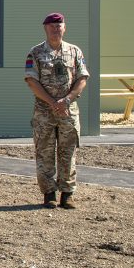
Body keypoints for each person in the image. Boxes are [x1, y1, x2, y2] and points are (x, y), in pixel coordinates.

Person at [24, 12, 89, 209]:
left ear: (64, 28)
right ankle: (49, 193)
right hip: (44, 112)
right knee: (44, 152)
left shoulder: (75, 51)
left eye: (59, 25)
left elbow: (82, 78)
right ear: (45, 28)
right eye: (52, 26)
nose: (56, 28)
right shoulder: (35, 53)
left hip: (68, 112)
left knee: (68, 152)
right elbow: (31, 81)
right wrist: (53, 102)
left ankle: (67, 194)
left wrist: (67, 100)